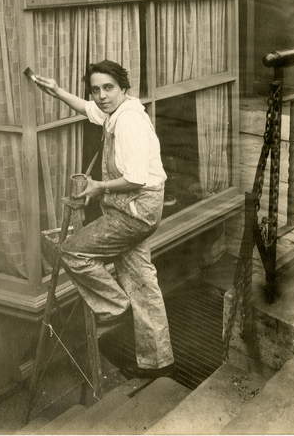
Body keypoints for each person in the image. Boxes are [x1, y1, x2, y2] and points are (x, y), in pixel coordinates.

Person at [34, 59, 174, 378]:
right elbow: (87, 109)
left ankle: (114, 307)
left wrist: (98, 187)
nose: (101, 95)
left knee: (71, 250)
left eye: (108, 88)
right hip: (134, 206)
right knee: (141, 280)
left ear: (124, 88)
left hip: (135, 208)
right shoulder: (116, 111)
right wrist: (57, 92)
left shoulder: (129, 123)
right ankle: (157, 361)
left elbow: (136, 178)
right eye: (96, 89)